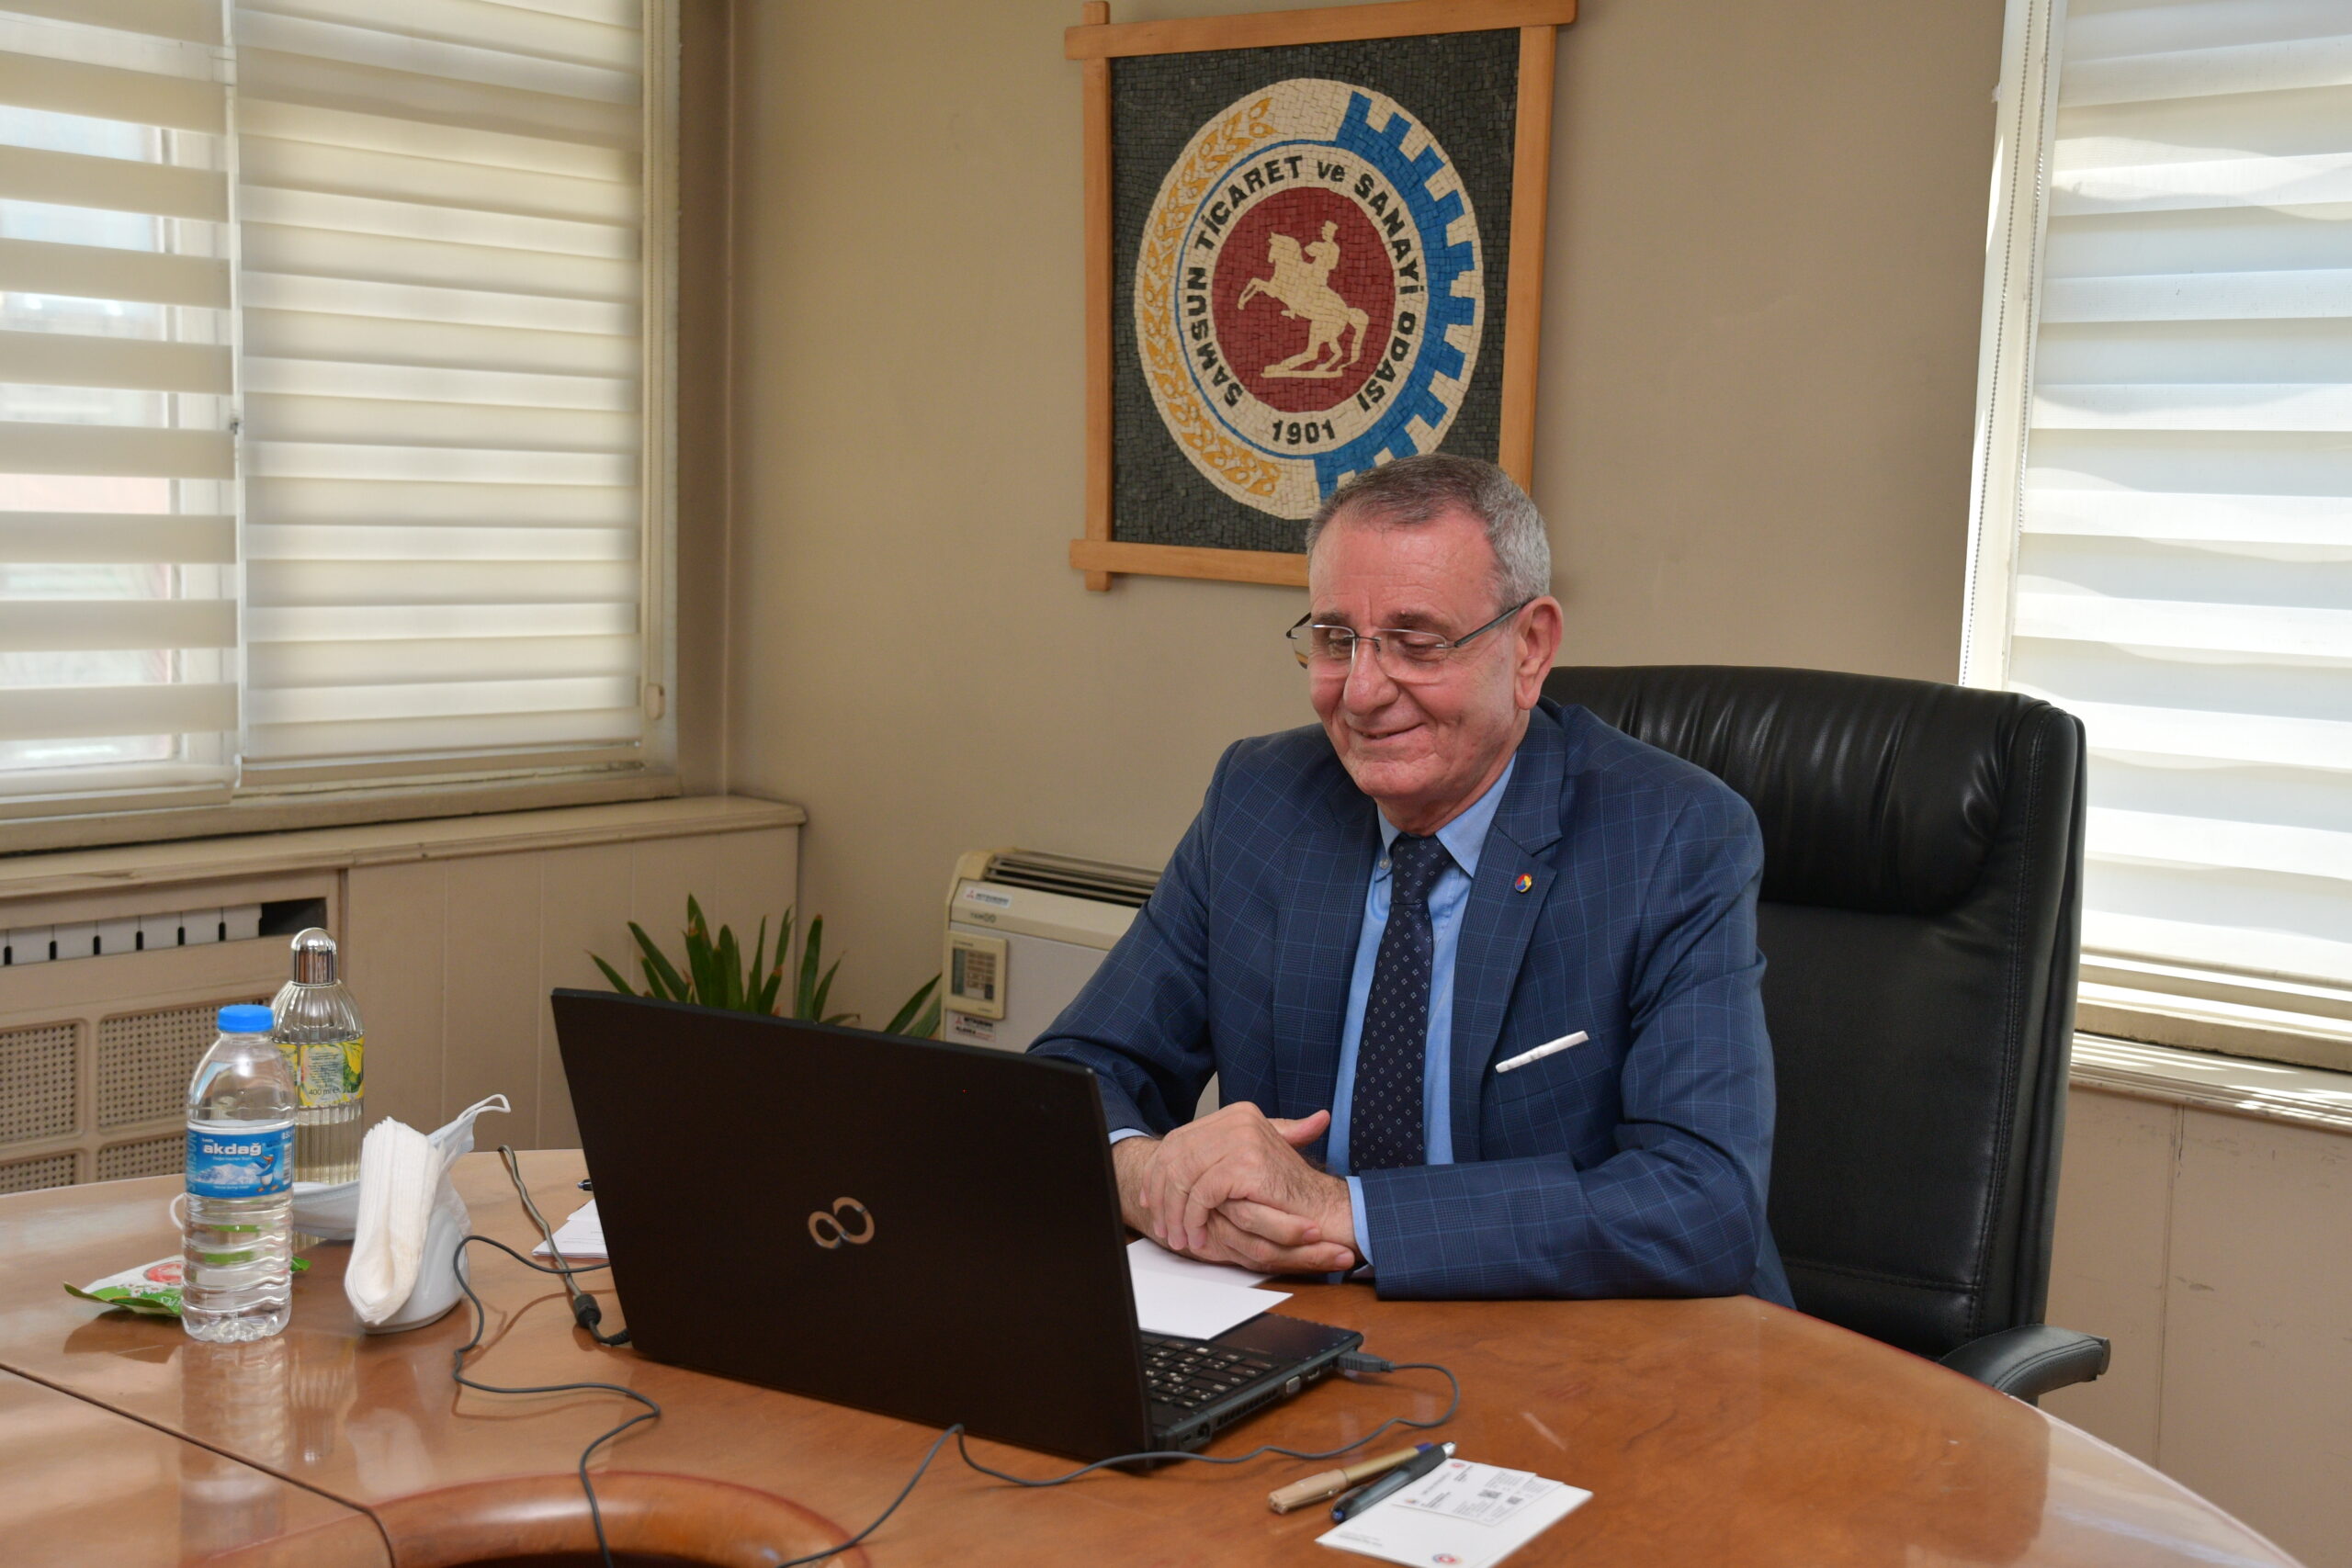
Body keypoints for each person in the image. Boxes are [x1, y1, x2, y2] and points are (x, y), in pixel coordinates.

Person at [1030, 455, 1792, 1303]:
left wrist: (1348, 1214)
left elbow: (1701, 1201)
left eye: (1416, 642)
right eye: (1335, 639)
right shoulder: (1260, 800)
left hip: (1586, 1340)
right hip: (1301, 1327)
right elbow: (1072, 1078)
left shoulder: (1673, 835)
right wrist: (1149, 1177)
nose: (1361, 692)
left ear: (1530, 648)